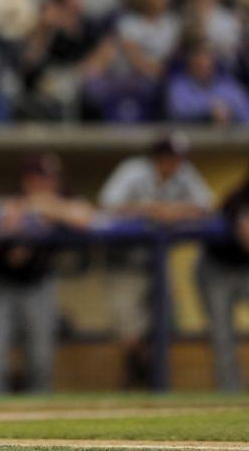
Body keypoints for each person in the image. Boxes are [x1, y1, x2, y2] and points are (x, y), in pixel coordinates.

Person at [98, 134, 213, 388]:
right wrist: (152, 209)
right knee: (129, 333)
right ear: (157, 158)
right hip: (123, 262)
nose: (174, 164)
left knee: (163, 325)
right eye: (169, 158)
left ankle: (147, 380)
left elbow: (207, 206)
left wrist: (177, 211)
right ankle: (136, 375)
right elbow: (106, 205)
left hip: (157, 264)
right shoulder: (132, 170)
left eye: (178, 159)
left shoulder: (185, 173)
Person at [0, 153, 95, 393]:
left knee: (40, 358)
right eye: (39, 179)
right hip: (2, 285)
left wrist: (47, 208)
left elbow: (85, 217)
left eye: (50, 179)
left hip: (38, 284)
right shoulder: (9, 201)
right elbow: (2, 220)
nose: (46, 185)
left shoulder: (61, 202)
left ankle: (36, 414)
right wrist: (30, 213)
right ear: (27, 180)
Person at [198, 173, 249, 391]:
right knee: (223, 334)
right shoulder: (239, 198)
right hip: (218, 269)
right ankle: (230, 391)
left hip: (245, 269)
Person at [166, 38, 249, 124]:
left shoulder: (229, 86)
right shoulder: (179, 86)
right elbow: (176, 113)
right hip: (193, 136)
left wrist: (231, 114)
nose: (204, 69)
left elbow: (246, 115)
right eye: (198, 66)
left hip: (230, 135)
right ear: (190, 65)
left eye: (207, 65)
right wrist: (208, 114)